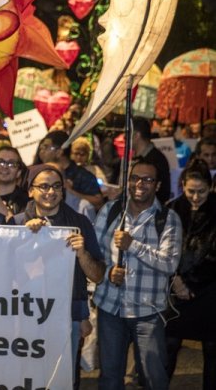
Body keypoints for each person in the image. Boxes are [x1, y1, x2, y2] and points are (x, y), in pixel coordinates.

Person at [10, 164, 105, 386]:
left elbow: (98, 275)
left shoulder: (79, 224)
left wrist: (82, 254)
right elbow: (6, 274)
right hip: (26, 315)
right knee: (28, 375)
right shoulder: (16, 223)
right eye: (43, 186)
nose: (50, 192)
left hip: (67, 316)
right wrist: (25, 238)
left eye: (56, 187)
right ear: (30, 190)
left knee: (63, 377)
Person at [93, 160, 182, 390]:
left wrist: (132, 245)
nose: (139, 184)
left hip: (148, 312)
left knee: (154, 379)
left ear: (158, 185)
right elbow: (96, 254)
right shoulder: (111, 210)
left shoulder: (168, 219)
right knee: (109, 379)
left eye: (148, 179)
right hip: (110, 307)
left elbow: (169, 263)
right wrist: (108, 272)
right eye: (134, 178)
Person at [164, 161, 216, 389]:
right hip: (175, 289)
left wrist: (192, 284)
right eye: (190, 191)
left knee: (212, 348)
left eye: (201, 191)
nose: (195, 197)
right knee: (169, 344)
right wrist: (176, 281)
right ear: (182, 185)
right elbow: (162, 250)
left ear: (211, 187)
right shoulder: (172, 209)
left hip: (210, 290)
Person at [35, 130, 104, 211]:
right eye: (41, 147)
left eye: (46, 147)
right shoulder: (38, 173)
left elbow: (99, 202)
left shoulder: (82, 175)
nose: (42, 151)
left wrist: (69, 191)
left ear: (59, 151)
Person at [132, 116, 171, 204]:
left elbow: (163, 193)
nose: (124, 138)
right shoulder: (134, 158)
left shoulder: (157, 160)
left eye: (127, 133)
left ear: (136, 135)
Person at [0, 146, 28, 220]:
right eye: (0, 162)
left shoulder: (27, 201)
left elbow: (21, 229)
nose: (5, 167)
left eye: (11, 164)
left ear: (19, 172)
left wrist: (0, 206)